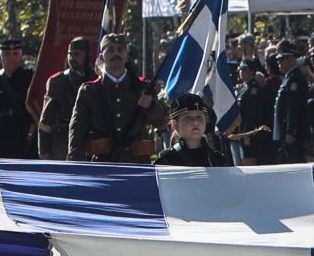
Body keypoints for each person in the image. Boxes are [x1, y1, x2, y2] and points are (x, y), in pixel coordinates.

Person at [68, 34, 163, 163]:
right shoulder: (89, 91)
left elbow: (162, 122)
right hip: (103, 163)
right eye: (110, 50)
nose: (116, 53)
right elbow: (78, 129)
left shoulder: (142, 88)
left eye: (120, 49)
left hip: (137, 164)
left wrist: (151, 106)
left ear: (126, 55)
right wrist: (75, 162)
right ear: (101, 57)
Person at [38, 37, 94, 160]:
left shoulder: (96, 79)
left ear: (86, 56)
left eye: (77, 54)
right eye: (70, 54)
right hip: (63, 140)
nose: (72, 58)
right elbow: (46, 121)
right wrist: (44, 150)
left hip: (91, 141)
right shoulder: (57, 82)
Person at [156, 94, 233, 167]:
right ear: (176, 124)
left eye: (199, 116)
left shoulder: (218, 160)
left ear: (206, 120)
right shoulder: (165, 162)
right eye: (188, 117)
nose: (195, 122)